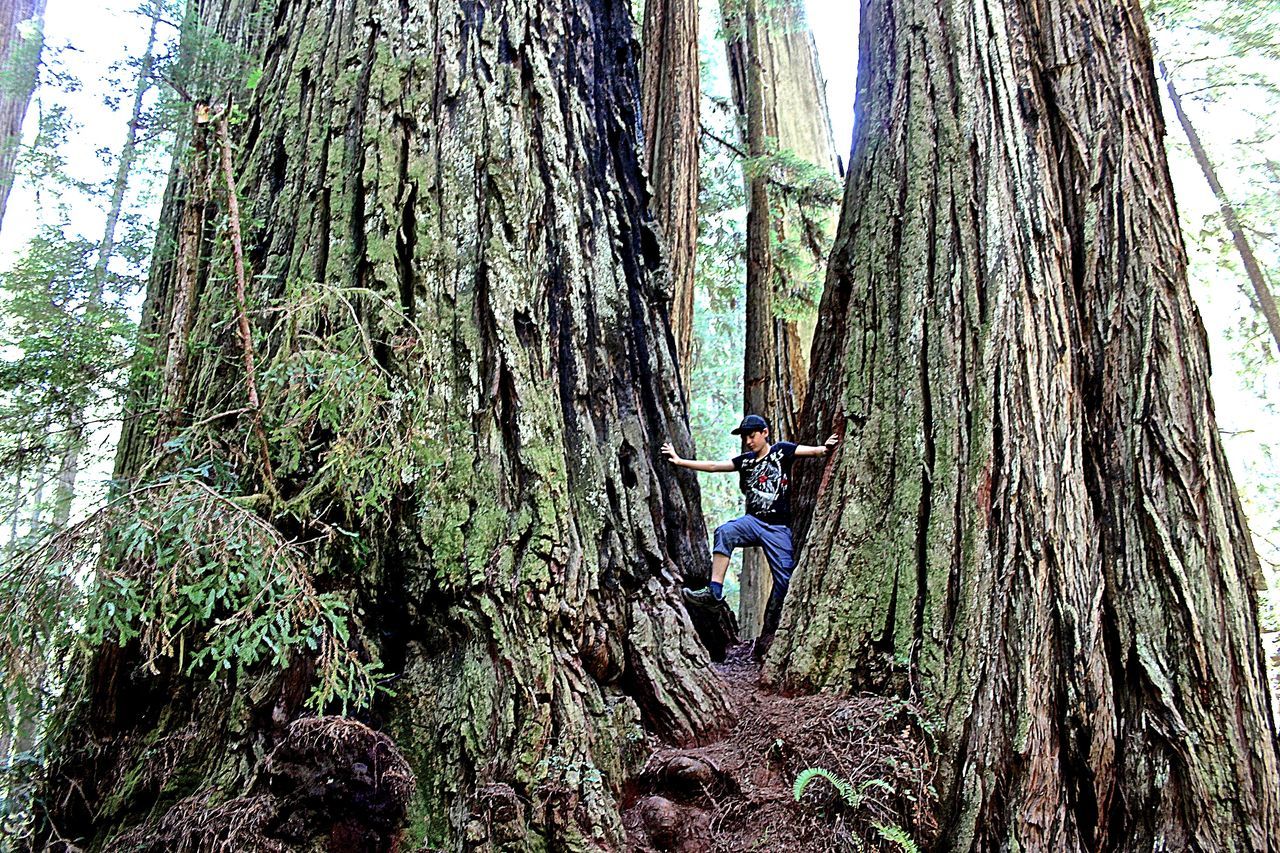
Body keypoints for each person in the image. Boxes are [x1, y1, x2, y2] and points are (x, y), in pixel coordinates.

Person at [661, 414, 838, 656]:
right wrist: (680, 461)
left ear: (765, 433)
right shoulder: (746, 462)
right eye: (745, 437)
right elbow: (714, 467)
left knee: (785, 581)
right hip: (753, 522)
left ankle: (776, 627)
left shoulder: (781, 451)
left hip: (777, 528)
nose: (748, 441)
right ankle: (714, 591)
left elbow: (812, 452)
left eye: (752, 435)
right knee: (725, 532)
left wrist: (824, 448)